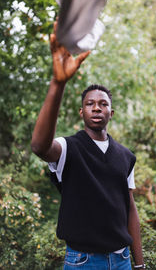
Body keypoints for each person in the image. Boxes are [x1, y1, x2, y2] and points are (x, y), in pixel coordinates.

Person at [31, 21, 145, 270]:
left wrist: (139, 264)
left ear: (111, 112)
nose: (96, 107)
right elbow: (39, 146)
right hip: (82, 261)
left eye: (102, 104)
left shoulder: (126, 157)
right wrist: (58, 83)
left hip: (122, 260)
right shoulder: (67, 148)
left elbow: (130, 211)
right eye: (90, 103)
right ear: (81, 112)